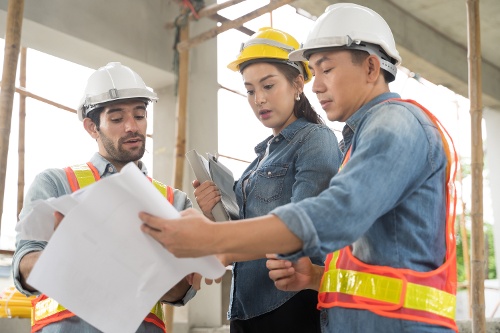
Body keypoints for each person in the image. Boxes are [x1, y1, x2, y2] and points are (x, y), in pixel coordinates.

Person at [139, 3, 458, 333]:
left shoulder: (394, 124)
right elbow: (363, 262)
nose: (317, 85)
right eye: (315, 72)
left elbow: (333, 216)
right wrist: (315, 276)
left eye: (326, 69)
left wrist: (215, 237)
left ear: (371, 68)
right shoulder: (356, 141)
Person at [12, 62, 197, 333]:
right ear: (91, 127)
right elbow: (25, 267)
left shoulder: (174, 201)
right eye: (117, 118)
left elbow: (181, 290)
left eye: (140, 115)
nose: (132, 127)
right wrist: (70, 255)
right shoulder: (56, 184)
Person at [192, 27, 341, 333]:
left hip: (291, 304)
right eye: (250, 90)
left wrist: (222, 246)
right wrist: (214, 214)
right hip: (245, 307)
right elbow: (242, 233)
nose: (259, 99)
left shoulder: (316, 140)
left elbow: (303, 226)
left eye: (268, 85)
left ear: (297, 83)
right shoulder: (259, 159)